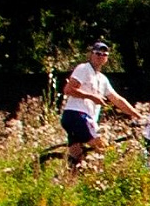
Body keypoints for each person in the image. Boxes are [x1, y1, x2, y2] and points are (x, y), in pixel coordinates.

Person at [61, 42, 143, 170]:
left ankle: (69, 179)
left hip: (78, 118)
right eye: (98, 53)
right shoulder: (83, 69)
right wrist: (92, 97)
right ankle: (111, 174)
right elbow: (68, 89)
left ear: (107, 58)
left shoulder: (103, 79)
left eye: (104, 54)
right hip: (77, 115)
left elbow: (117, 100)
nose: (101, 56)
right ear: (91, 55)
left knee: (77, 158)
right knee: (103, 147)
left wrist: (137, 115)